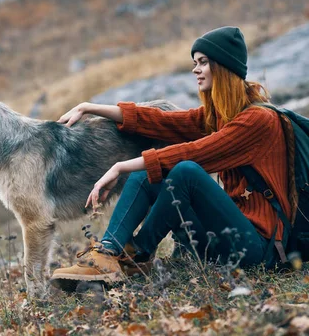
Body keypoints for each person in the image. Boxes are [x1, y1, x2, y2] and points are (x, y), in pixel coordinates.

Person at [50, 26, 292, 290]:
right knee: (146, 174)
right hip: (222, 239)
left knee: (185, 171)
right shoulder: (221, 115)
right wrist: (89, 106)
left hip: (258, 248)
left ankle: (136, 254)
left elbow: (196, 153)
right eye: (194, 63)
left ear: (223, 66)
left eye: (203, 62)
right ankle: (109, 254)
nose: (195, 69)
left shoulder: (259, 121)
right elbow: (162, 121)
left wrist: (120, 167)